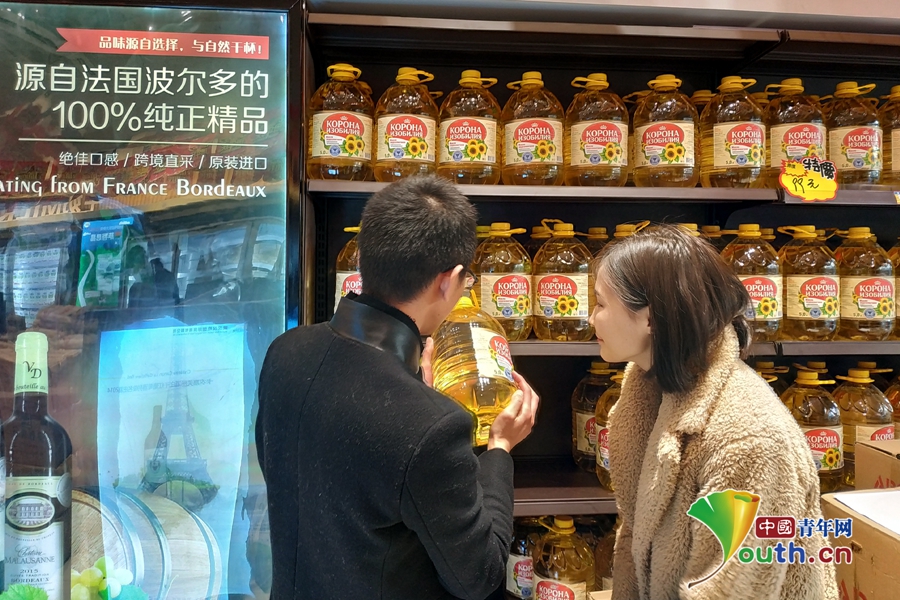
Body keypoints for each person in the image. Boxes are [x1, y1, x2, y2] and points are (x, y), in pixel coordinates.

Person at [256, 175, 540, 600]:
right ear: (450, 280)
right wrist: (499, 449)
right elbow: (479, 576)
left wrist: (413, 387)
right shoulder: (433, 426)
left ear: (364, 257)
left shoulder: (285, 352)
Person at [590, 225, 838, 600]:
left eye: (600, 304)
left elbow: (732, 589)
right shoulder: (653, 390)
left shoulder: (750, 439)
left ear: (651, 318)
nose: (591, 319)